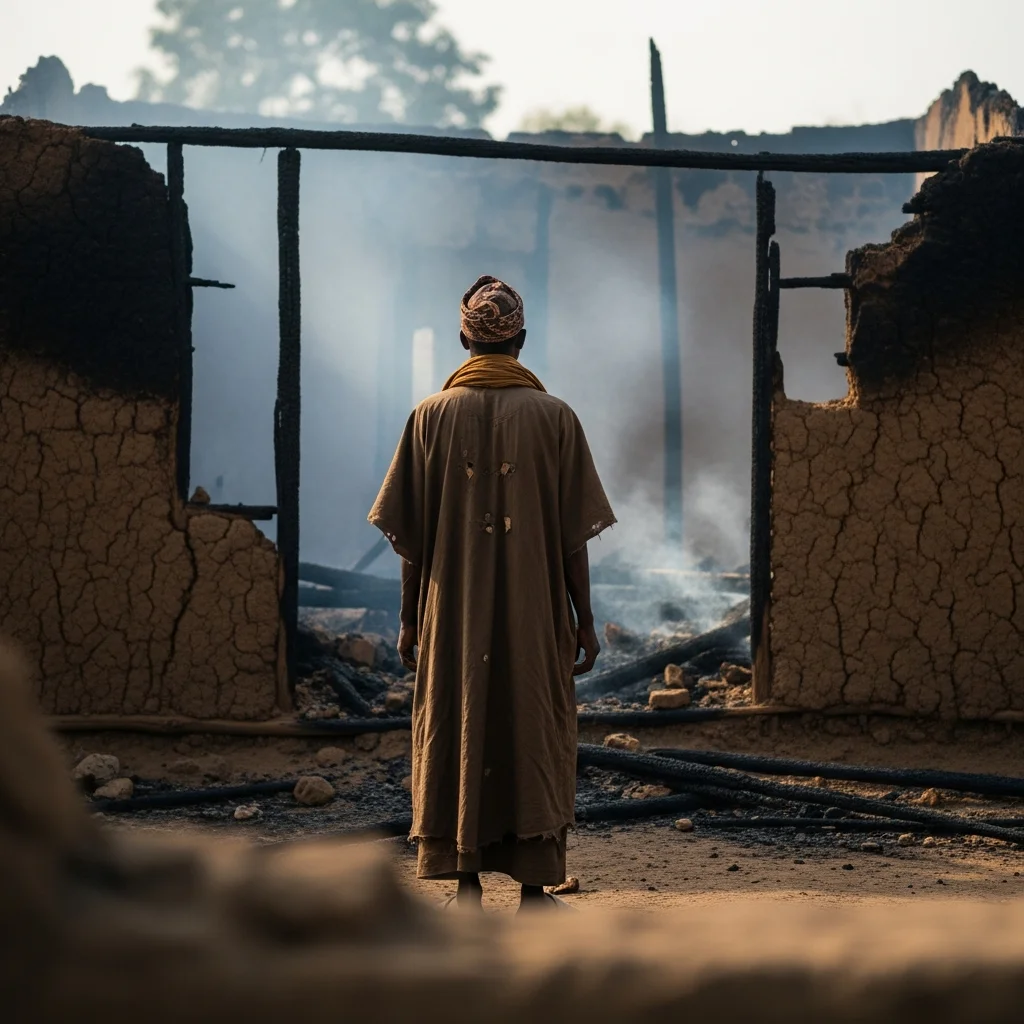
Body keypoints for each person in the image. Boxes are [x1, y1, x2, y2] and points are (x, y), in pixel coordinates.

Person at [369, 275, 615, 912]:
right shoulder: (557, 417)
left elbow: (410, 541)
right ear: (523, 341)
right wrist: (583, 619)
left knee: (457, 720)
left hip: (451, 612)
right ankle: (535, 889)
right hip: (535, 613)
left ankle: (466, 884)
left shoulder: (426, 417)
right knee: (533, 725)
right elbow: (571, 539)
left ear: (462, 339)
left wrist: (408, 619)